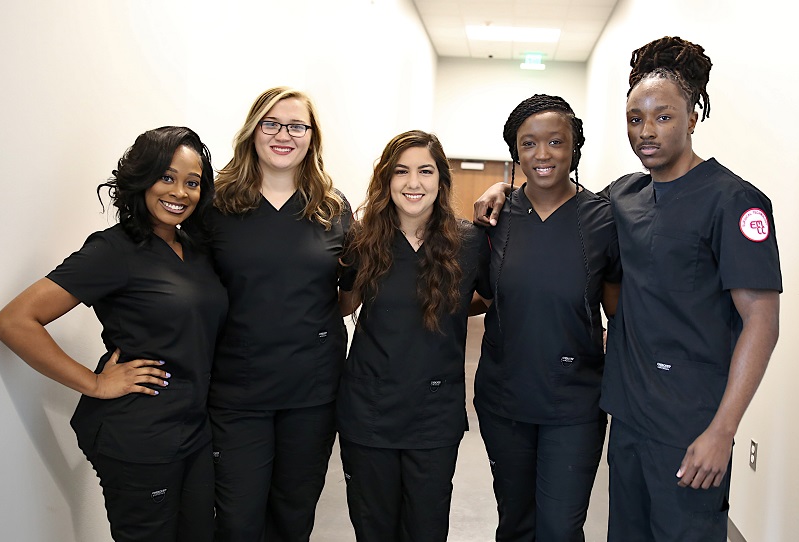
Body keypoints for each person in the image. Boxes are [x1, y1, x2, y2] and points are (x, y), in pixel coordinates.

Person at [476, 37, 782, 542]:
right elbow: (558, 200)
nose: (647, 131)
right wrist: (503, 188)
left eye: (663, 116)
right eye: (635, 119)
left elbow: (762, 321)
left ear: (692, 117)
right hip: (628, 412)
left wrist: (722, 431)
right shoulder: (625, 196)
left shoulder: (735, 201)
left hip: (691, 421)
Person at [0, 126, 228, 542]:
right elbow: (14, 322)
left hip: (193, 429)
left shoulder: (195, 248)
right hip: (139, 434)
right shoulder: (113, 250)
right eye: (167, 177)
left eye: (193, 182)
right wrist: (95, 383)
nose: (180, 192)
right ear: (142, 178)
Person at [205, 87, 352, 542]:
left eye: (296, 126)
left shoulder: (332, 208)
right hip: (236, 390)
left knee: (294, 512)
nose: (283, 135)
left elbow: (348, 294)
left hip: (311, 390)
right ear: (253, 131)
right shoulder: (216, 205)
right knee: (238, 518)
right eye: (271, 123)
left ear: (312, 137)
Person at [472, 95, 620, 542]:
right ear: (515, 151)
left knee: (559, 529)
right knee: (515, 525)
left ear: (575, 147)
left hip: (574, 403)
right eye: (529, 143)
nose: (542, 154)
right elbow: (478, 295)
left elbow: (615, 307)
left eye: (555, 142)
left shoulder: (602, 219)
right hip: (505, 399)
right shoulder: (493, 219)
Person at [336, 130, 489, 542]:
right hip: (368, 409)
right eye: (401, 171)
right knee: (374, 528)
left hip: (433, 414)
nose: (413, 182)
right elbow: (344, 303)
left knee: (426, 528)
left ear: (441, 179)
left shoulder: (470, 241)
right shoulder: (362, 238)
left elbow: (487, 298)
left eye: (426, 170)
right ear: (387, 178)